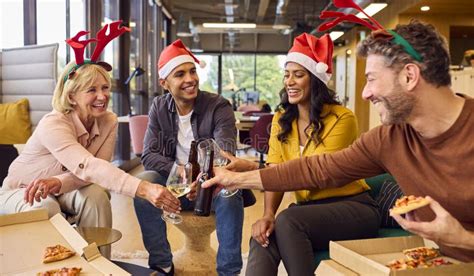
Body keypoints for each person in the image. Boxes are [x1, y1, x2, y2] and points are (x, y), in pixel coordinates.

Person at [204, 20, 474, 263]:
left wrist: (461, 238)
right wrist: (235, 178)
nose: (365, 93)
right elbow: (318, 169)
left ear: (409, 76)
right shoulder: (389, 139)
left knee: (288, 222)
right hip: (447, 266)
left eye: (371, 79)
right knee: (268, 237)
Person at [0, 23, 180, 258]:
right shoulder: (53, 123)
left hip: (61, 189)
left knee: (95, 194)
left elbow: (94, 176)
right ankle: (59, 268)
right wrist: (144, 189)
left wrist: (57, 182)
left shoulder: (108, 120)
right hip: (21, 192)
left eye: (105, 88)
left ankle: (98, 263)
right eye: (91, 90)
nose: (102, 96)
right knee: (47, 206)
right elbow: (89, 166)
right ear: (71, 95)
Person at [241, 33, 379, 276]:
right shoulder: (281, 120)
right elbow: (275, 173)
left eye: (299, 74)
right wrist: (267, 215)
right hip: (307, 212)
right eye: (287, 74)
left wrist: (250, 173)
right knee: (262, 234)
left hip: (353, 208)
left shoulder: (342, 118)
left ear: (315, 79)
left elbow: (318, 173)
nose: (290, 82)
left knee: (289, 221)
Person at [133, 39, 244, 275]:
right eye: (180, 74)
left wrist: (201, 180)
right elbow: (149, 155)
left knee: (231, 190)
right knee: (144, 184)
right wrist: (181, 174)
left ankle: (229, 271)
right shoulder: (159, 107)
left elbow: (224, 154)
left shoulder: (218, 105)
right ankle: (162, 265)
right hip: (177, 186)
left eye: (192, 71)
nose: (190, 79)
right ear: (165, 83)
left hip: (212, 187)